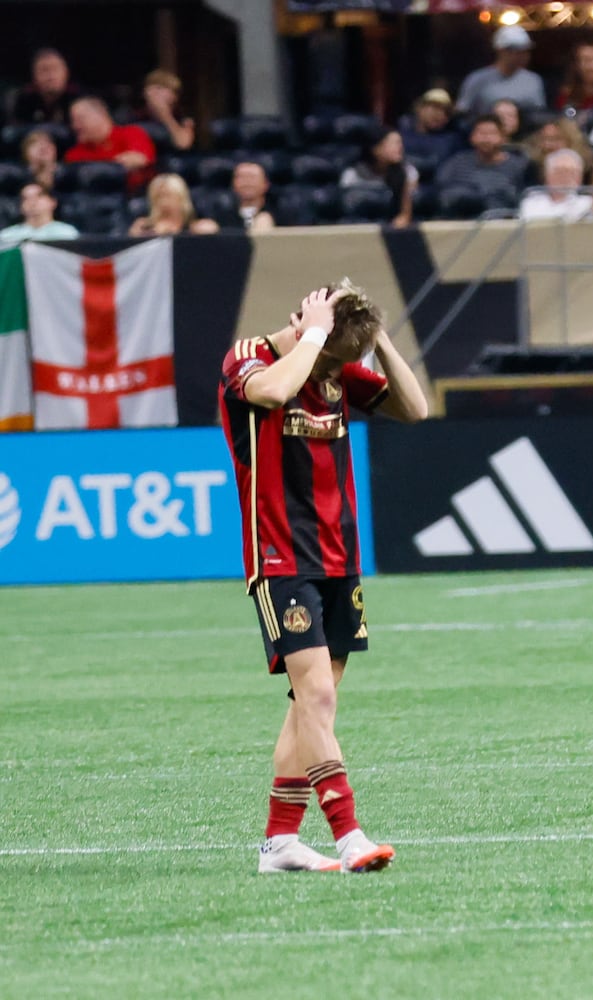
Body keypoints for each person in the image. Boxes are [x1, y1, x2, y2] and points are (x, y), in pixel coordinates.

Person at [218, 280, 428, 873]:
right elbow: (275, 389)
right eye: (340, 355)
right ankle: (349, 834)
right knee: (317, 695)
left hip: (340, 558)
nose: (341, 369)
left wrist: (378, 339)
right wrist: (314, 335)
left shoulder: (334, 369)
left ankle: (280, 842)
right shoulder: (251, 356)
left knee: (311, 706)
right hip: (280, 557)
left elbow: (416, 408)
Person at [435, 113, 529, 208]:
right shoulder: (456, 163)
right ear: (472, 137)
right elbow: (441, 192)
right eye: (481, 133)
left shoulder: (519, 166)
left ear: (503, 138)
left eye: (491, 133)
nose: (486, 139)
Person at [65, 96, 156, 194]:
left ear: (100, 115)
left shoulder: (131, 133)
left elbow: (139, 159)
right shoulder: (74, 153)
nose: (75, 126)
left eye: (80, 119)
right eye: (73, 121)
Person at [455, 25, 546, 117]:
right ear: (501, 51)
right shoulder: (477, 79)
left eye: (525, 51)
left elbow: (539, 112)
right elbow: (462, 111)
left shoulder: (533, 80)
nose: (522, 56)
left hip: (526, 130)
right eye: (516, 51)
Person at [340, 128, 418, 228]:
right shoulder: (352, 175)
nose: (400, 147)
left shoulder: (408, 172)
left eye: (400, 143)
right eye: (393, 143)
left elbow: (405, 211)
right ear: (375, 148)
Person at [128, 172, 218, 236]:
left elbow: (211, 228)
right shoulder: (145, 225)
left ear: (180, 197)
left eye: (168, 195)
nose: (163, 201)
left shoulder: (192, 221)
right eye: (159, 196)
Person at [9, 48, 81, 126]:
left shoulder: (79, 98)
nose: (50, 75)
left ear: (66, 72)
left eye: (55, 69)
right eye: (44, 70)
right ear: (34, 76)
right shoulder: (25, 99)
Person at [518, 148, 593, 221]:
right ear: (547, 175)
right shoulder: (531, 202)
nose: (565, 177)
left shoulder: (588, 204)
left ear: (580, 177)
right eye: (560, 172)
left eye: (572, 172)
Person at [0, 183, 80, 249]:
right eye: (26, 198)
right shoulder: (6, 236)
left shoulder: (68, 233)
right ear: (20, 206)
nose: (32, 202)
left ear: (53, 202)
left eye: (39, 196)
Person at [522, 116, 592, 189]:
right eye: (544, 139)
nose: (547, 145)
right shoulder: (533, 167)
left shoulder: (587, 168)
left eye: (555, 139)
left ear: (570, 141)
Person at [135, 69, 195, 151]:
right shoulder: (135, 115)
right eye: (153, 88)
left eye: (161, 88)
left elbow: (183, 144)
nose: (155, 93)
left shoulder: (182, 118)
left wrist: (164, 114)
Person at [399, 88, 464, 164]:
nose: (441, 115)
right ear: (419, 108)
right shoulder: (400, 136)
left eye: (447, 113)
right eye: (435, 108)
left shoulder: (451, 141)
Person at [231, 160, 276, 232]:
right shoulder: (222, 217)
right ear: (233, 184)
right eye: (242, 177)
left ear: (266, 184)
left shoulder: (281, 215)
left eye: (252, 177)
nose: (247, 182)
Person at [20, 128, 60, 193]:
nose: (42, 145)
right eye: (34, 143)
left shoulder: (67, 175)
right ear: (25, 152)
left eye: (47, 142)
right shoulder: (19, 178)